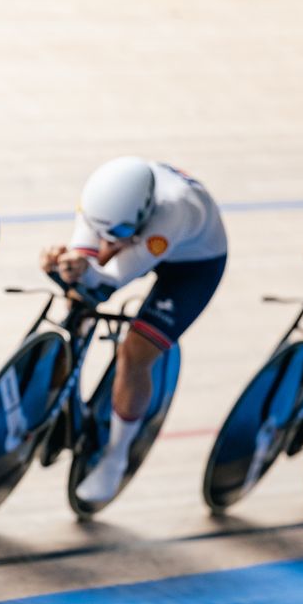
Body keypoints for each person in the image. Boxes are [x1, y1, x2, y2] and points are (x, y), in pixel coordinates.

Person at [44, 157, 227, 503]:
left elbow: (109, 280)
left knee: (136, 352)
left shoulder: (175, 212)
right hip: (138, 232)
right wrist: (64, 264)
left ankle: (116, 455)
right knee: (75, 304)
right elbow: (87, 263)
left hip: (192, 267)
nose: (109, 241)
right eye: (103, 232)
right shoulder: (100, 202)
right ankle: (66, 399)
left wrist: (86, 270)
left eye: (121, 235)